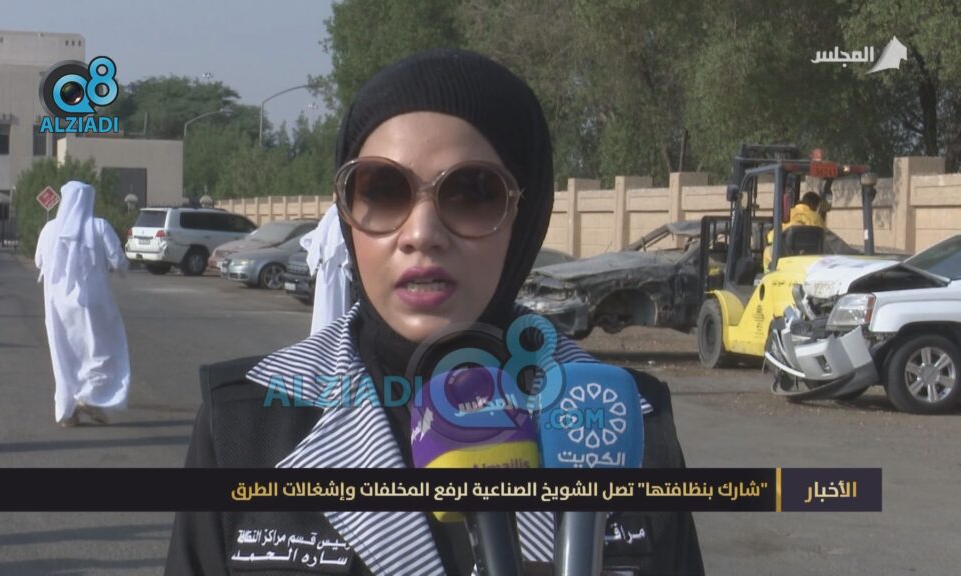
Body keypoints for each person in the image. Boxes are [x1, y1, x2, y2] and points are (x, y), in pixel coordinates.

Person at [166, 49, 703, 575]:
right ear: (347, 214)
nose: (421, 234)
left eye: (472, 192)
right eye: (382, 190)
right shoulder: (243, 424)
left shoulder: (629, 422)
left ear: (526, 216)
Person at [35, 181, 130, 427]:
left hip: (57, 306)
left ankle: (67, 412)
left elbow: (38, 261)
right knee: (99, 351)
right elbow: (118, 261)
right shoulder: (99, 226)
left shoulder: (49, 229)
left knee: (64, 354)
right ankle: (90, 398)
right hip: (93, 303)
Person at [300, 203, 351, 334]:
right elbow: (341, 246)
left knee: (326, 313)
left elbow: (307, 240)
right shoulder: (338, 221)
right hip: (336, 274)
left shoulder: (330, 219)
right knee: (333, 312)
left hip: (328, 273)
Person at [764, 191, 826, 268]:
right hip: (810, 261)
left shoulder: (788, 214)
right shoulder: (817, 218)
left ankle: (769, 273)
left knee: (767, 251)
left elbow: (772, 237)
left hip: (787, 259)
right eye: (816, 207)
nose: (816, 209)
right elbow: (824, 239)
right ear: (812, 204)